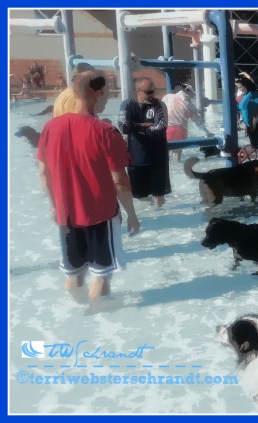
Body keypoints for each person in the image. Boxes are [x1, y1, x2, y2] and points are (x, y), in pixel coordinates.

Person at [36, 69, 140, 299]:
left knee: (73, 273)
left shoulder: (50, 127)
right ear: (99, 93)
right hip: (100, 216)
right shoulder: (105, 131)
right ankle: (100, 318)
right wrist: (131, 214)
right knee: (102, 275)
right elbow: (120, 181)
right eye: (108, 91)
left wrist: (54, 206)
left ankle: (73, 320)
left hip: (66, 215)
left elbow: (44, 173)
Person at [118, 77, 170, 207]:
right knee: (139, 195)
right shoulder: (127, 105)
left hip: (158, 158)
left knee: (159, 196)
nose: (152, 95)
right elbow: (123, 126)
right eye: (148, 92)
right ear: (138, 91)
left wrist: (135, 128)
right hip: (136, 159)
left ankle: (161, 220)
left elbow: (160, 129)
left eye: (153, 91)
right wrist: (144, 125)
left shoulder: (159, 105)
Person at [162, 84, 213, 161]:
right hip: (181, 130)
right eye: (193, 94)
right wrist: (207, 131)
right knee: (177, 156)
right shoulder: (190, 105)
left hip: (167, 129)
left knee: (164, 154)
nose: (193, 96)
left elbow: (160, 110)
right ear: (189, 93)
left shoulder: (167, 97)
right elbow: (198, 121)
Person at [237, 76, 258, 150]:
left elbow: (257, 110)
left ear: (245, 86)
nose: (238, 89)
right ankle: (256, 158)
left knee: (255, 145)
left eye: (240, 87)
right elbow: (245, 110)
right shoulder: (246, 94)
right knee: (253, 144)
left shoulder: (254, 94)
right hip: (250, 124)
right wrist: (246, 124)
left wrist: (252, 125)